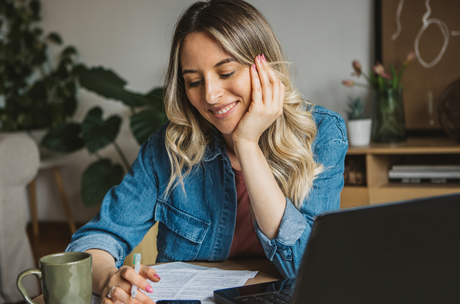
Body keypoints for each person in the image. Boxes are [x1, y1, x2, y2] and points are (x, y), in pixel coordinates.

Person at [66, 1, 348, 304]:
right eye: (194, 82)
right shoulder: (169, 149)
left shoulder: (320, 135)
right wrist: (109, 278)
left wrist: (247, 144)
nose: (210, 96)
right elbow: (95, 240)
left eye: (226, 72)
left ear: (264, 68)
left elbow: (307, 263)